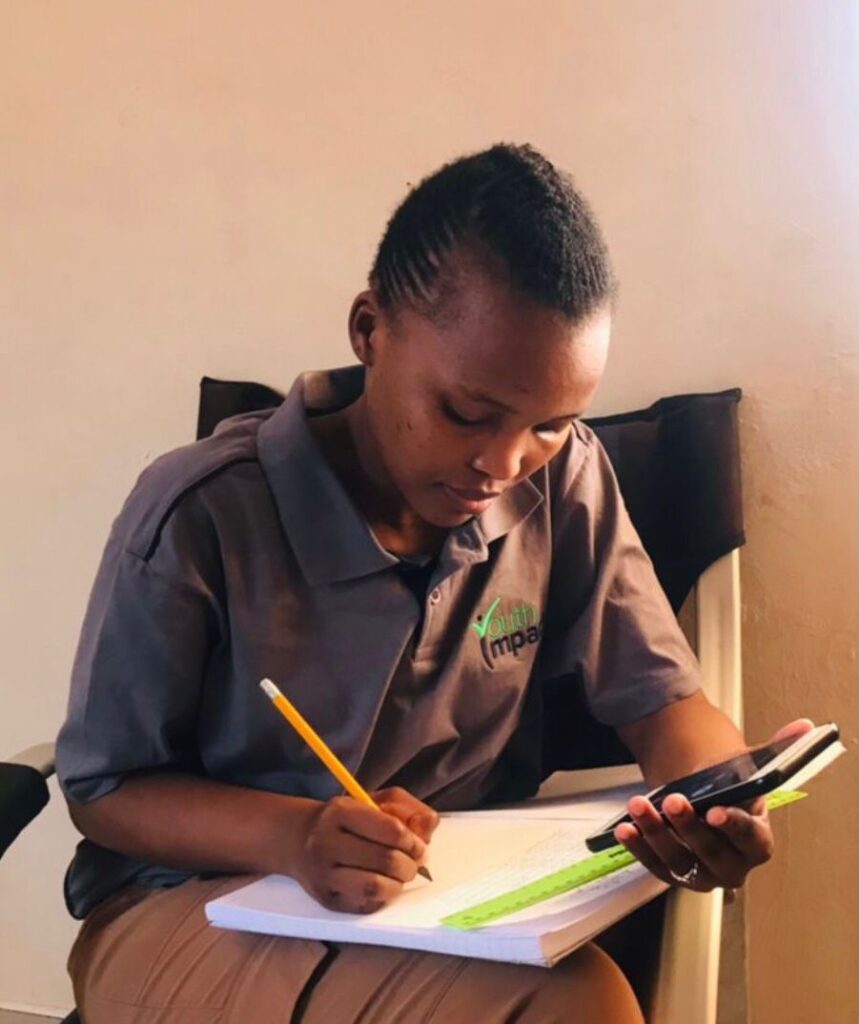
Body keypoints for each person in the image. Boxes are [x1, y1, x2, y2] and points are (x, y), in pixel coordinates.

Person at [55, 142, 806, 1023]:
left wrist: (714, 796)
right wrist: (295, 836)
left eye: (551, 424)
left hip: (435, 907)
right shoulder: (201, 511)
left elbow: (661, 698)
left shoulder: (560, 481)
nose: (502, 462)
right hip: (190, 902)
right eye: (465, 412)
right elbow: (106, 792)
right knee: (574, 1009)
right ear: (368, 329)